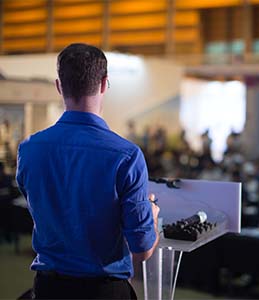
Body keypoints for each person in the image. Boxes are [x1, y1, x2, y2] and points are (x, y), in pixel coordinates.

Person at [16, 43, 160, 299]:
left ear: (59, 86)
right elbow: (143, 250)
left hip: (48, 289)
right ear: (105, 84)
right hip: (104, 291)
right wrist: (151, 215)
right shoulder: (127, 156)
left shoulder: (29, 150)